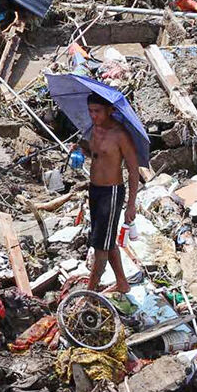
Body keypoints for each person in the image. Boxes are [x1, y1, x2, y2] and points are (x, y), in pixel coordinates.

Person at [77, 93, 141, 293]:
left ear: (110, 110)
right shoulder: (93, 130)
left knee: (100, 247)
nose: (93, 115)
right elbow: (95, 154)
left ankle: (89, 293)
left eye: (97, 111)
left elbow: (133, 169)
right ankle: (122, 283)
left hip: (111, 192)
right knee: (106, 238)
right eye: (90, 111)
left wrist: (131, 205)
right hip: (94, 190)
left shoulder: (119, 134)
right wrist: (80, 150)